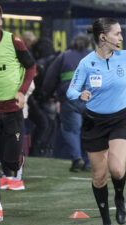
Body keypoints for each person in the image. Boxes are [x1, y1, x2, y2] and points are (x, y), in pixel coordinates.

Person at [66, 18, 126, 225]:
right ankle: (106, 222)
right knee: (99, 176)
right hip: (94, 123)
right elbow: (70, 91)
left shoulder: (124, 57)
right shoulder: (86, 63)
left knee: (117, 168)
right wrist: (80, 94)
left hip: (120, 120)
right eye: (117, 34)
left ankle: (120, 197)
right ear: (103, 37)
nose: (121, 38)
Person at [0, 3, 36, 221]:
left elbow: (31, 67)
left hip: (12, 109)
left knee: (10, 162)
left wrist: (23, 92)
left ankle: (16, 163)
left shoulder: (13, 41)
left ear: (0, 21)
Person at [42, 33, 91, 172]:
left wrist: (47, 94)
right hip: (92, 100)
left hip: (70, 99)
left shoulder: (64, 56)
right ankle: (88, 162)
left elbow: (50, 78)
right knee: (90, 131)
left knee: (71, 130)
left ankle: (77, 159)